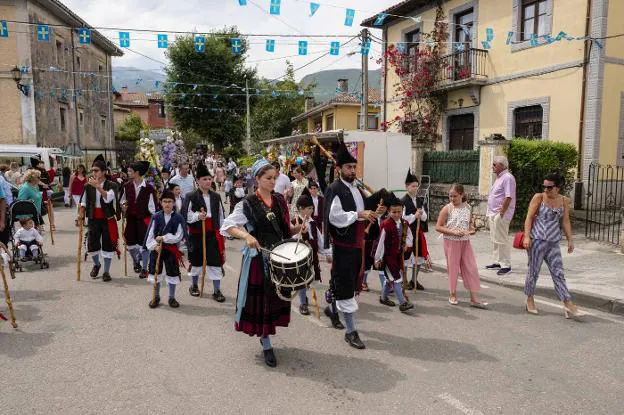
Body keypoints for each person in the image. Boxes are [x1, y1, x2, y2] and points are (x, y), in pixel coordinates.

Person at [221, 158, 303, 368]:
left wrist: (298, 229)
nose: (273, 182)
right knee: (263, 301)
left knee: (276, 299)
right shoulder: (247, 203)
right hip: (259, 259)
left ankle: (268, 334)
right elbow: (228, 226)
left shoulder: (280, 200)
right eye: (268, 178)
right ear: (257, 179)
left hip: (278, 256)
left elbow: (284, 230)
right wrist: (246, 236)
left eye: (275, 178)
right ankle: (266, 343)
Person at [323, 143, 381, 350]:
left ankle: (333, 310)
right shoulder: (334, 189)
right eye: (348, 167)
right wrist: (359, 215)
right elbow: (333, 217)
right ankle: (351, 332)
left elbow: (364, 211)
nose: (352, 171)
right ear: (339, 169)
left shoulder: (356, 188)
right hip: (343, 245)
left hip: (358, 245)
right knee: (345, 286)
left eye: (354, 167)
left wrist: (374, 211)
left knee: (349, 283)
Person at [522, 173, 585, 319]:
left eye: (549, 187)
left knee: (558, 273)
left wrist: (570, 240)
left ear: (557, 187)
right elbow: (529, 217)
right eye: (544, 186)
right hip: (537, 240)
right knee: (533, 272)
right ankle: (529, 299)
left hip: (553, 242)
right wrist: (526, 236)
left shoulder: (564, 201)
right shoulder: (539, 197)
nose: (545, 189)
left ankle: (567, 304)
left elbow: (565, 222)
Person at [435, 184, 488, 308]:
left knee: (471, 268)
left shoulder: (468, 208)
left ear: (462, 195)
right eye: (450, 196)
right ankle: (452, 294)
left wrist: (472, 229)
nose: (452, 198)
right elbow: (438, 227)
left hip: (465, 242)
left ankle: (474, 298)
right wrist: (453, 232)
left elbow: (469, 225)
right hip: (451, 242)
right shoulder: (447, 208)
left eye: (455, 196)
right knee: (453, 269)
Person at [181, 162, 226, 301]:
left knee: (215, 262)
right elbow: (184, 214)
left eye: (209, 179)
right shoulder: (191, 196)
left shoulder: (216, 196)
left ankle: (217, 290)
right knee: (196, 261)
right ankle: (194, 285)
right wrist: (197, 216)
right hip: (196, 234)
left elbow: (221, 216)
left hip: (212, 233)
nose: (207, 181)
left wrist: (223, 232)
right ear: (197, 181)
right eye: (204, 179)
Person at [79, 155, 121, 282]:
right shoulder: (88, 185)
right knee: (92, 244)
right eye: (92, 170)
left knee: (108, 245)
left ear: (103, 172)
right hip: (93, 218)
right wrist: (80, 214)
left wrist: (98, 187)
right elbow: (83, 202)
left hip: (107, 218)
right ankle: (97, 264)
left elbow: (108, 198)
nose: (93, 173)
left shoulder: (112, 185)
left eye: (96, 170)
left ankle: (106, 272)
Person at [145, 190, 186, 309]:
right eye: (164, 201)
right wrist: (154, 245)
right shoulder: (156, 216)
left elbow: (179, 236)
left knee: (172, 273)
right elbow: (150, 235)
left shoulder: (178, 218)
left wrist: (164, 238)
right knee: (155, 272)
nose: (167, 204)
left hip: (171, 249)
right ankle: (156, 296)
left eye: (170, 201)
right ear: (161, 203)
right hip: (156, 249)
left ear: (174, 203)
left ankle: (171, 297)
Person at [374, 195, 415, 312]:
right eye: (394, 212)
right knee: (397, 278)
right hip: (387, 258)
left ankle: (383, 297)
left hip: (397, 256)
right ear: (388, 211)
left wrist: (407, 243)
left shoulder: (404, 223)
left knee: (389, 279)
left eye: (399, 212)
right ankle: (403, 303)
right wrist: (378, 259)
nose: (397, 214)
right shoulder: (386, 225)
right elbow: (380, 243)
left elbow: (409, 235)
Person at [292, 193, 331, 315]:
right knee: (302, 280)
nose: (311, 210)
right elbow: (291, 240)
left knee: (309, 280)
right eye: (309, 208)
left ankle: (304, 297)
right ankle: (303, 303)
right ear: (301, 209)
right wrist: (300, 233)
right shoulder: (294, 222)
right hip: (300, 257)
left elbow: (319, 240)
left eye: (312, 208)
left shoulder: (313, 223)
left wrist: (327, 253)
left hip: (312, 257)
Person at [121, 161, 158, 278]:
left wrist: (153, 223)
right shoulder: (126, 186)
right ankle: (136, 261)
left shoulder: (149, 188)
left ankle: (144, 268)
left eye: (130, 171)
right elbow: (122, 200)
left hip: (144, 220)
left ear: (137, 173)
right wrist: (123, 206)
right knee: (130, 243)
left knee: (144, 244)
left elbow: (153, 207)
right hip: (131, 219)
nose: (128, 173)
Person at [485, 156, 516, 276]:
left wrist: (501, 213)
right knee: (495, 239)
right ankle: (497, 261)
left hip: (500, 214)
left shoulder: (507, 178)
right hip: (493, 213)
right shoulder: (499, 177)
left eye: (494, 164)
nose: (492, 166)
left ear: (502, 166)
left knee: (502, 239)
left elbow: (509, 197)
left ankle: (506, 265)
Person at [402, 169, 430, 291]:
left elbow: (425, 218)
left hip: (418, 233)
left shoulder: (419, 200)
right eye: (413, 186)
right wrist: (414, 216)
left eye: (417, 186)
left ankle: (414, 280)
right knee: (406, 258)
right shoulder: (403, 201)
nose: (415, 188)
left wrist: (421, 213)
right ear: (407, 187)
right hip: (407, 234)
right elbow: (402, 218)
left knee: (419, 258)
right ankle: (402, 281)